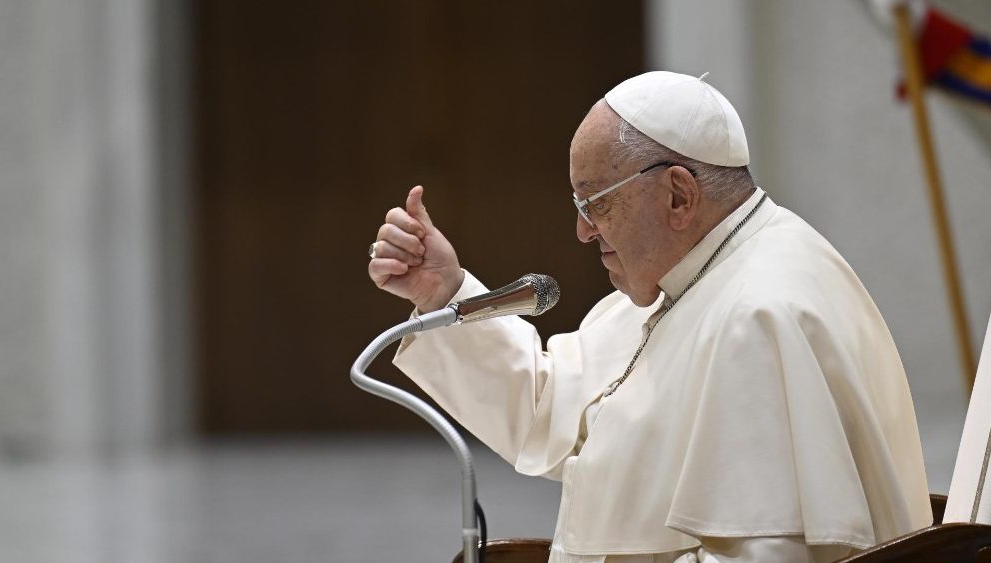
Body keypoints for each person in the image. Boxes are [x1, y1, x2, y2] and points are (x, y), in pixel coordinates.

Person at [366, 71, 932, 563]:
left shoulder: (761, 315)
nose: (583, 231)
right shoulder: (692, 279)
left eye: (596, 203)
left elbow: (765, 552)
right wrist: (445, 294)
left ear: (679, 197)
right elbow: (551, 407)